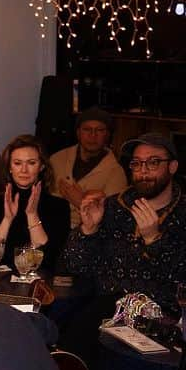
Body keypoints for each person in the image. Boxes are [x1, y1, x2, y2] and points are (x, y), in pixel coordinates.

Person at [60, 133, 185, 318]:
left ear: (172, 167)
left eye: (153, 162)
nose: (143, 171)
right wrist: (88, 230)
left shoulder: (182, 212)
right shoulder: (113, 206)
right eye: (136, 163)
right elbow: (76, 266)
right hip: (106, 310)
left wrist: (153, 239)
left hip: (160, 317)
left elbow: (180, 279)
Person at [0, 134, 71, 274]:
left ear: (41, 166)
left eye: (31, 163)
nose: (24, 170)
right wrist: (7, 220)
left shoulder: (59, 207)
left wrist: (32, 215)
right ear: (9, 167)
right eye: (17, 163)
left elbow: (48, 259)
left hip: (40, 285)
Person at [49, 107, 128, 228]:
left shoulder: (116, 172)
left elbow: (113, 221)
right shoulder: (57, 159)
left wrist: (80, 202)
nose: (93, 135)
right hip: (51, 227)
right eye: (87, 129)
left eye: (99, 130)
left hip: (87, 235)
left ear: (107, 134)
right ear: (78, 132)